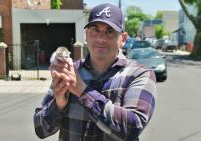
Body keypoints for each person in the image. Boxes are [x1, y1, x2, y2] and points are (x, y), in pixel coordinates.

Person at [34, 3, 157, 141]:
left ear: (123, 39)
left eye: (110, 31)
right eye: (95, 29)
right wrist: (58, 105)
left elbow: (133, 128)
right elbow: (40, 129)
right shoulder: (69, 71)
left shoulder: (139, 74)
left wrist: (82, 91)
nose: (100, 38)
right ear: (86, 35)